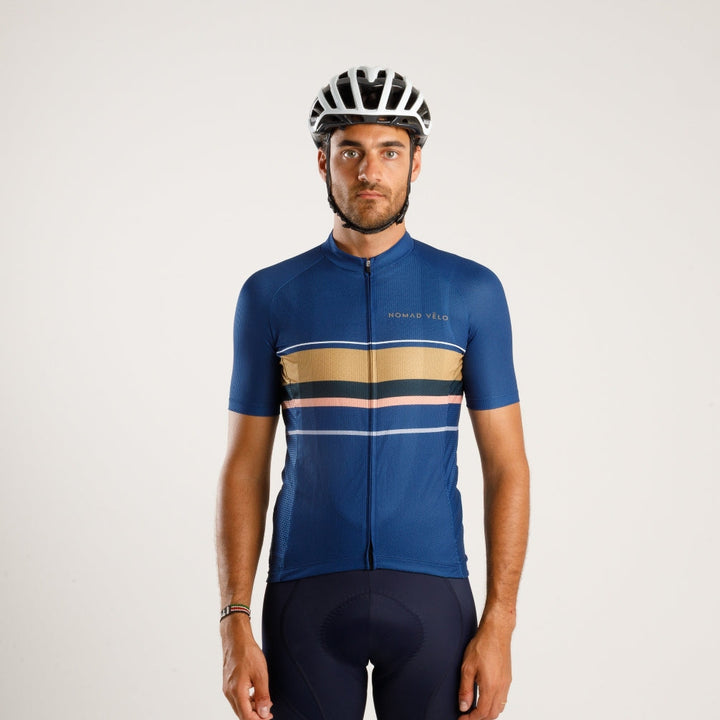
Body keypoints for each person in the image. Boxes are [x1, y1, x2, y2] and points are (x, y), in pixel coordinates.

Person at [216, 66, 530, 720]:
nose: (369, 171)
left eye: (389, 151)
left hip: (433, 598)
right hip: (304, 599)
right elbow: (244, 465)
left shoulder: (470, 292)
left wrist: (500, 624)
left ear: (416, 163)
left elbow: (507, 465)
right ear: (322, 163)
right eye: (350, 152)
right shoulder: (270, 295)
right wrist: (233, 622)